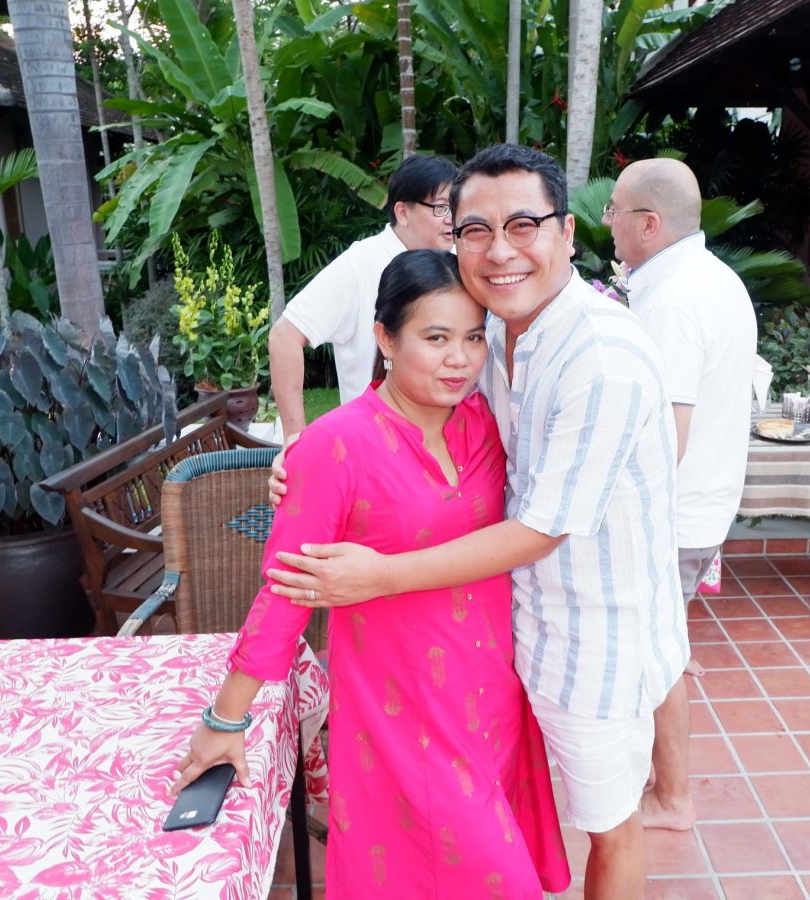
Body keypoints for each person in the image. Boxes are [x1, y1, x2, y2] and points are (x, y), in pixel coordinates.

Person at [267, 145, 689, 900]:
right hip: (511, 637)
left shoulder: (602, 358)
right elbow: (417, 420)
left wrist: (379, 576)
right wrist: (311, 457)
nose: (500, 250)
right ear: (451, 236)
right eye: (476, 230)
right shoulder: (493, 334)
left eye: (523, 225)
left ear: (566, 233)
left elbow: (542, 529)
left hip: (595, 638)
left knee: (610, 824)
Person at [170, 250, 570, 899]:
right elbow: (286, 591)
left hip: (492, 690)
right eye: (435, 338)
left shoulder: (485, 424)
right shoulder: (336, 445)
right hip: (403, 705)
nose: (459, 359)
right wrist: (226, 718)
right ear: (384, 337)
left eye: (473, 338)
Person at [604, 157, 757, 831]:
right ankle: (658, 780)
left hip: (671, 515)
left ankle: (671, 796)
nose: (607, 222)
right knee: (660, 649)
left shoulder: (672, 298)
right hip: (699, 506)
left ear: (648, 223)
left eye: (614, 210)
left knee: (657, 658)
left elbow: (665, 436)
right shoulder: (710, 277)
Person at [269, 154, 458, 439]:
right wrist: (294, 437)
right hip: (373, 440)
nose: (451, 219)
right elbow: (285, 336)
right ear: (403, 212)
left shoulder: (458, 259)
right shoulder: (361, 263)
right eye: (441, 207)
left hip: (446, 440)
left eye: (455, 206)